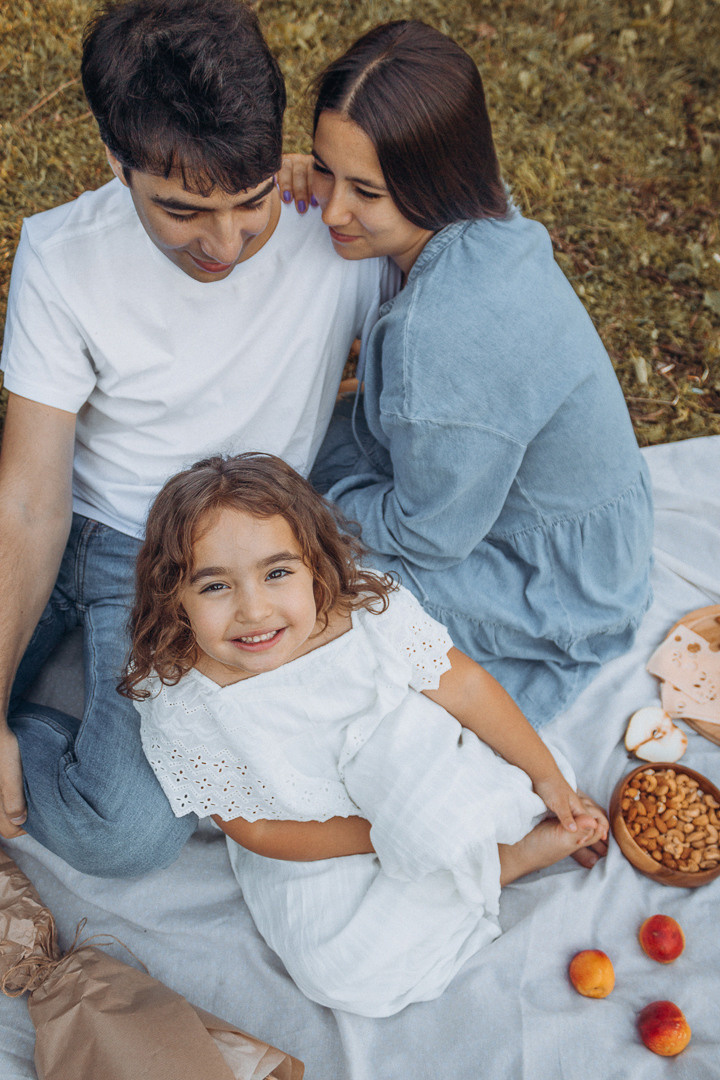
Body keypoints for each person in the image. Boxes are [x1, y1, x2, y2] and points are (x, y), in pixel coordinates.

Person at [0, 0, 390, 875]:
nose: (225, 242)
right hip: (94, 518)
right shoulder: (63, 256)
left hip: (196, 563)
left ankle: (55, 710)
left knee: (125, 834)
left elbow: (477, 221)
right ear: (114, 158)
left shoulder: (332, 225)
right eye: (181, 211)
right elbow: (29, 502)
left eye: (250, 200)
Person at [122, 452, 609, 1017]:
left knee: (490, 791)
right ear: (173, 596)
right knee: (340, 972)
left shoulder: (364, 617)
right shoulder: (184, 697)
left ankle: (484, 838)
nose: (253, 610)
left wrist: (547, 778)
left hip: (408, 765)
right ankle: (507, 860)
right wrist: (385, 835)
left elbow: (467, 688)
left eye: (278, 573)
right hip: (313, 835)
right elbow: (253, 826)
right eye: (214, 587)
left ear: (314, 565)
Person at [283, 20, 654, 729]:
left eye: (367, 189)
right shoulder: (480, 207)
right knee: (290, 462)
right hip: (556, 508)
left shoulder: (442, 334)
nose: (332, 209)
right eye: (326, 168)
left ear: (434, 177)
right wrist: (319, 168)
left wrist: (307, 516)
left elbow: (429, 540)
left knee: (298, 578)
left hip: (550, 584)